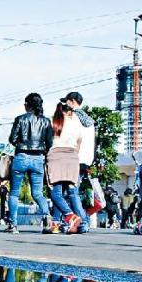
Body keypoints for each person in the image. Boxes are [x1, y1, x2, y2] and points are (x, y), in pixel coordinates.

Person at [6, 93, 53, 234]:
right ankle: (47, 218)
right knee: (38, 193)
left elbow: (12, 139)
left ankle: (13, 225)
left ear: (28, 104)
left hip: (21, 156)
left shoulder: (20, 119)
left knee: (14, 193)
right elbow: (50, 143)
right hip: (38, 158)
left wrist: (21, 144)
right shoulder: (46, 121)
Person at [48, 99, 86, 234]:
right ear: (70, 112)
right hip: (72, 158)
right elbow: (79, 143)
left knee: (55, 193)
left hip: (55, 158)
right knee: (70, 193)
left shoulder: (53, 122)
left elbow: (48, 141)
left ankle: (71, 216)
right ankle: (60, 223)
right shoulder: (76, 124)